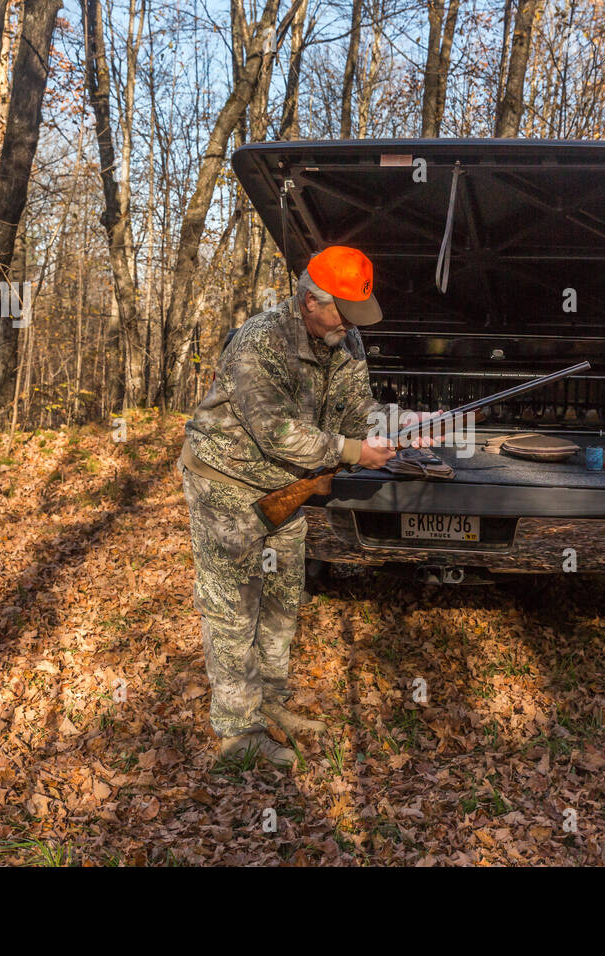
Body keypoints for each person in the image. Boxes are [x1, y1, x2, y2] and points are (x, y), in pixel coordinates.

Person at [179, 245, 438, 767]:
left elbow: (353, 407)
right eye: (342, 311)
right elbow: (275, 432)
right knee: (233, 610)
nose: (350, 324)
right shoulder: (260, 341)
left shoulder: (345, 337)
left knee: (280, 603)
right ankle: (237, 733)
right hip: (225, 486)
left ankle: (270, 701)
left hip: (289, 488)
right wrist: (351, 452)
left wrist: (396, 422)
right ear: (308, 301)